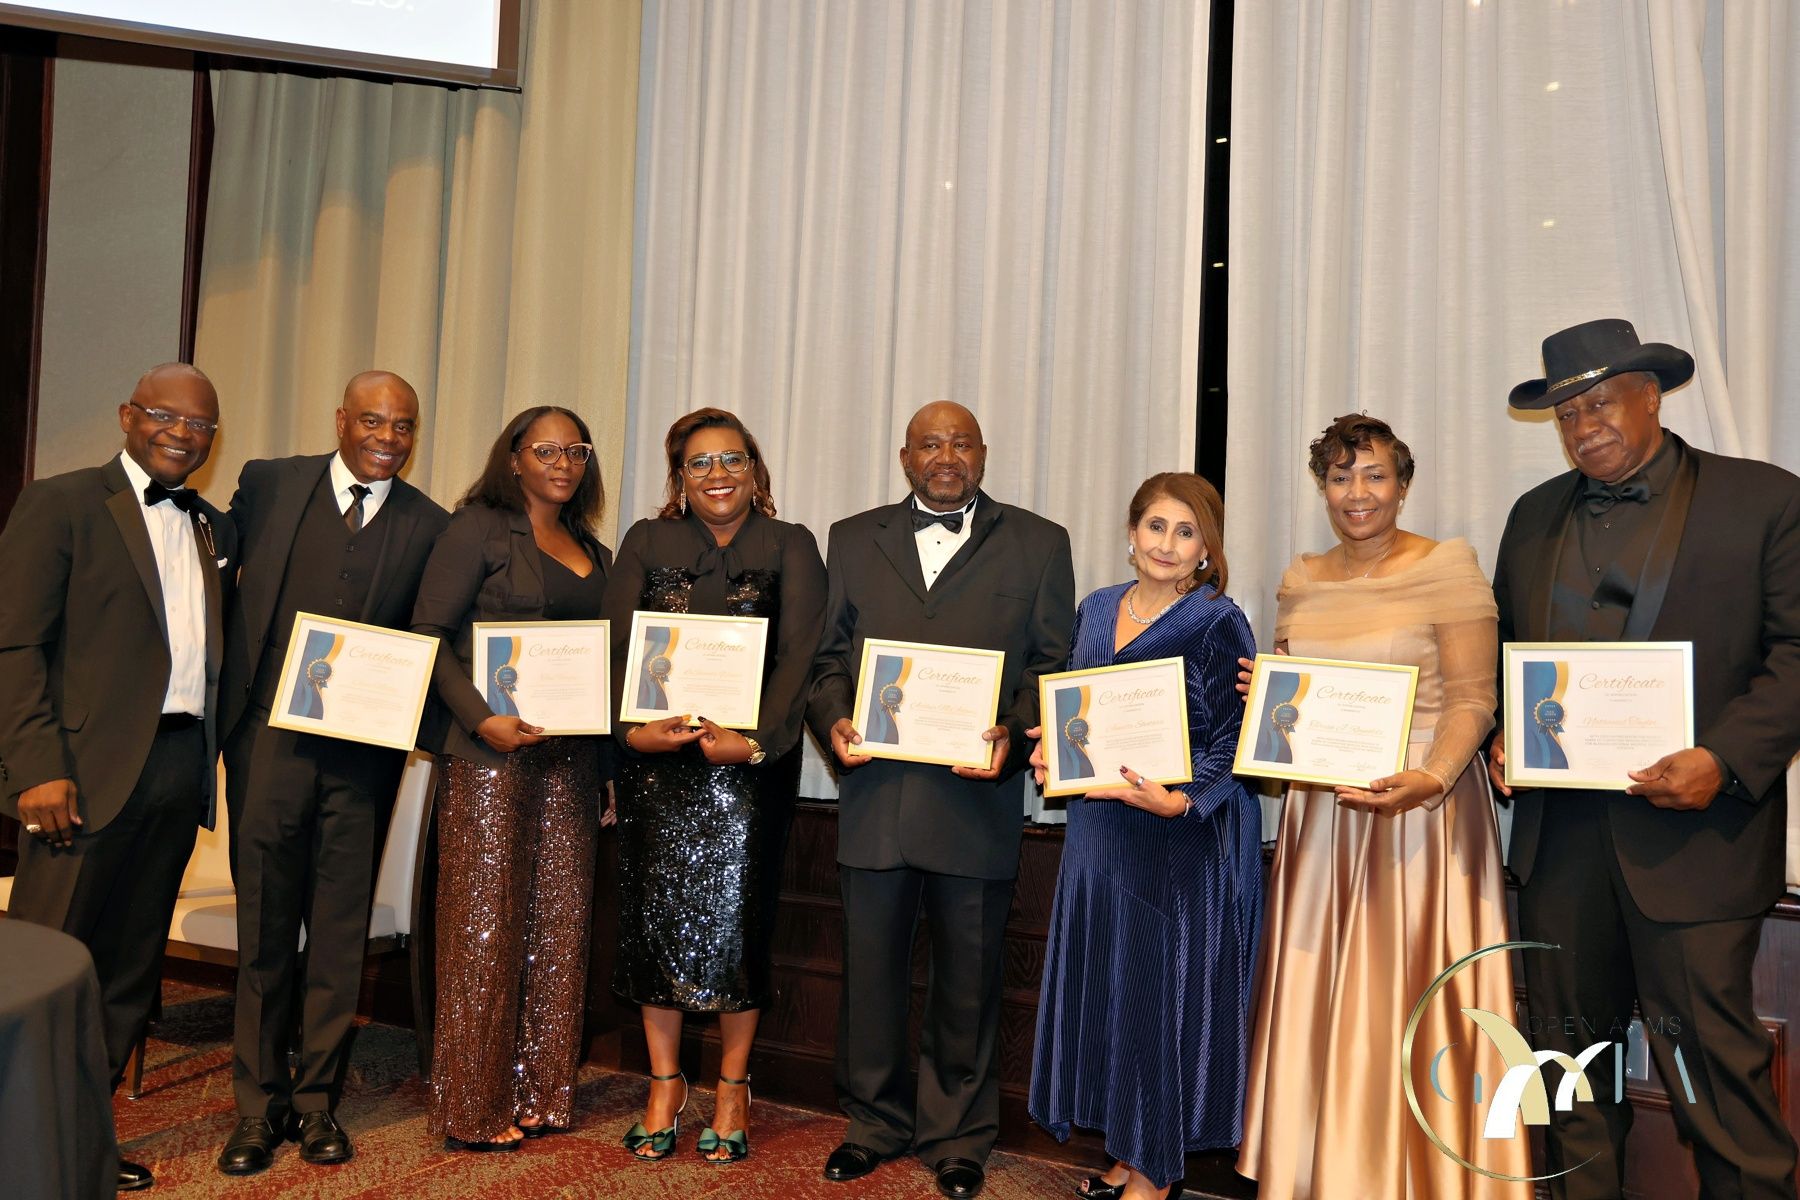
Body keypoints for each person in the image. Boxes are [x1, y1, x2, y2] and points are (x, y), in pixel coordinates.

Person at [1489, 319, 1800, 1199]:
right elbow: (1510, 658)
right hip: (1560, 852)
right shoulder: (1532, 515)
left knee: (1719, 1090)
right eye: (1566, 414)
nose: (1583, 426)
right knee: (1569, 1085)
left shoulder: (1764, 499)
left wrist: (1724, 759)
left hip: (1699, 849)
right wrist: (1505, 734)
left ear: (1651, 396)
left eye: (1599, 403)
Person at [1236, 413, 1530, 1198]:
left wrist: (1431, 779)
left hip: (1423, 814)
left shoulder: (1448, 565)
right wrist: (1269, 710)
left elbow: (1474, 698)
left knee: (1417, 1003)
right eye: (1340, 477)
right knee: (1324, 996)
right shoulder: (1301, 578)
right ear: (1323, 489)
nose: (1357, 493)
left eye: (1373, 475)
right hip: (1324, 820)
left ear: (1402, 485)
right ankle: (1321, 1173)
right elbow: (1293, 708)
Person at [807, 401, 1075, 1200]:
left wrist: (1013, 733)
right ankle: (872, 1124)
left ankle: (959, 1136)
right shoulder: (851, 538)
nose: (946, 455)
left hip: (974, 801)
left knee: (968, 981)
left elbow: (1051, 664)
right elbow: (828, 659)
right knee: (870, 978)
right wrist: (834, 720)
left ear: (982, 454)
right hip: (877, 798)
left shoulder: (1041, 543)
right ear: (906, 458)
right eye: (930, 443)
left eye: (961, 442)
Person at [0, 362, 236, 1192]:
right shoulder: (62, 503)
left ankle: (79, 1150)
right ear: (128, 415)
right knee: (42, 969)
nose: (182, 433)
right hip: (80, 777)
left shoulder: (211, 527)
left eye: (200, 424)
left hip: (177, 767)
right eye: (166, 416)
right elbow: (15, 646)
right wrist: (37, 768)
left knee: (127, 976)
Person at [215, 371, 449, 1175]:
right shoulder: (270, 484)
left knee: (340, 935)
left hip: (362, 757)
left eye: (404, 426)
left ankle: (316, 1102)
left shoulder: (430, 525)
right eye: (374, 421)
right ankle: (257, 1108)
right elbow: (210, 586)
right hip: (266, 745)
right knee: (263, 932)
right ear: (343, 419)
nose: (389, 437)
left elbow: (434, 638)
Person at [1026, 472, 1260, 1200]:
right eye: (1156, 526)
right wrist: (1052, 746)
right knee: (1115, 993)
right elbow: (1079, 711)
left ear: (1206, 549)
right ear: (1132, 533)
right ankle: (1128, 1152)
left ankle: (1155, 1173)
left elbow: (1238, 740)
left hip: (1177, 838)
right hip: (1100, 833)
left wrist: (1182, 801)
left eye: (1187, 532)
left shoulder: (1219, 621)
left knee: (1159, 999)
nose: (1167, 543)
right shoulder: (1096, 608)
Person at [604, 407, 825, 1163]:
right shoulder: (646, 540)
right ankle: (665, 1084)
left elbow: (801, 656)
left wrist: (755, 742)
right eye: (699, 463)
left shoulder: (792, 544)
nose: (717, 474)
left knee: (739, 928)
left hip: (750, 771)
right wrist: (631, 733)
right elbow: (617, 646)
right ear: (679, 477)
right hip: (657, 769)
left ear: (755, 470)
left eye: (732, 459)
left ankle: (733, 1088)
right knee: (656, 923)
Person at [410, 405, 612, 1151]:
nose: (563, 463)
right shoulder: (477, 529)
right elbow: (429, 635)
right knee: (484, 927)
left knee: (559, 928)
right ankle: (472, 1105)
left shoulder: (594, 548)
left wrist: (609, 771)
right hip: (491, 757)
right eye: (546, 450)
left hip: (572, 761)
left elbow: (607, 661)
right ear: (515, 457)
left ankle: (539, 1092)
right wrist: (478, 718)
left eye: (576, 450)